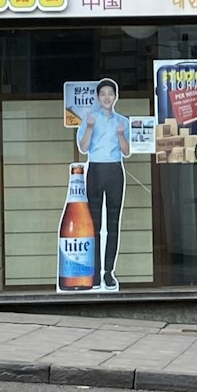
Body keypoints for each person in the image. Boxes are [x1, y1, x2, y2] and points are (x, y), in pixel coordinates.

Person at [77, 78, 130, 291]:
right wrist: (89, 128)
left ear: (116, 97)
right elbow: (83, 147)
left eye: (110, 93)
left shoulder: (122, 121)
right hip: (96, 170)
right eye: (103, 94)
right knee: (95, 224)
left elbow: (126, 151)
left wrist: (120, 134)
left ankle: (108, 271)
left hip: (115, 169)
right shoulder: (90, 118)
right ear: (98, 98)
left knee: (113, 223)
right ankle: (95, 272)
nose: (107, 97)